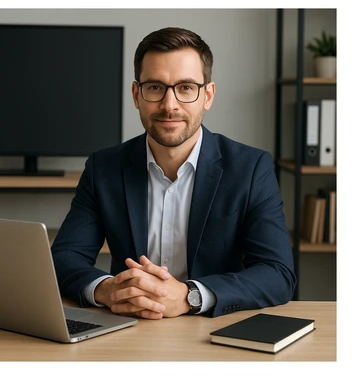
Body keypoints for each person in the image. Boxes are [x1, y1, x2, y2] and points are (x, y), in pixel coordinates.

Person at [51, 26, 296, 320]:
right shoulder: (104, 168)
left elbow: (278, 273)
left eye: (186, 88)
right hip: (127, 327)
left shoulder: (251, 168)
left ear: (207, 95)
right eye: (155, 87)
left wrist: (190, 296)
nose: (170, 105)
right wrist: (108, 289)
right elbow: (64, 258)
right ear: (136, 94)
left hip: (215, 332)